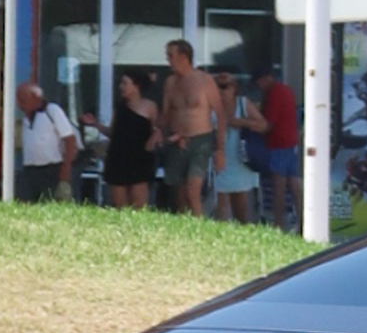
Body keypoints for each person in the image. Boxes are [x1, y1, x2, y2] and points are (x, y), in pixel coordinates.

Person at [156, 38, 223, 216]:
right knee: (180, 193)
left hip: (201, 139)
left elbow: (221, 115)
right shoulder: (170, 83)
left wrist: (220, 149)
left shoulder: (205, 81)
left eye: (171, 55)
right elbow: (166, 114)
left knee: (192, 190)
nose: (168, 60)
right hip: (177, 140)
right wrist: (159, 132)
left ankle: (200, 230)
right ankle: (185, 229)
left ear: (184, 57)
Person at [14, 82, 80, 203]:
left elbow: (70, 140)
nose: (19, 104)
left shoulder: (52, 111)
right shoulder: (26, 118)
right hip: (29, 170)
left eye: (22, 100)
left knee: (49, 204)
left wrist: (66, 168)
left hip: (51, 170)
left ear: (35, 97)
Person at [212, 71, 263, 225]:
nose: (220, 90)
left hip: (241, 158)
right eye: (217, 86)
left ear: (234, 88)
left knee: (241, 205)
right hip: (218, 159)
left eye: (224, 86)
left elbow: (264, 125)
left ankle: (244, 234)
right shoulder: (210, 106)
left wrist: (242, 122)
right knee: (221, 204)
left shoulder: (243, 103)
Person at [105, 71, 159, 210]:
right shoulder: (120, 107)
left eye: (125, 83)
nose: (120, 87)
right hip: (118, 158)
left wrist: (153, 140)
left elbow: (158, 130)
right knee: (119, 206)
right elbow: (113, 132)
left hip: (140, 159)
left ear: (136, 86)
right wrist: (96, 125)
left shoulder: (149, 106)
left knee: (139, 206)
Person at [257, 63, 300, 231]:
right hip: (291, 142)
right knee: (294, 185)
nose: (259, 87)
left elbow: (268, 124)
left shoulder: (275, 93)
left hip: (278, 144)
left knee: (278, 187)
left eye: (259, 82)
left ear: (266, 78)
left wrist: (249, 121)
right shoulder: (287, 90)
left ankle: (279, 225)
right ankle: (304, 221)